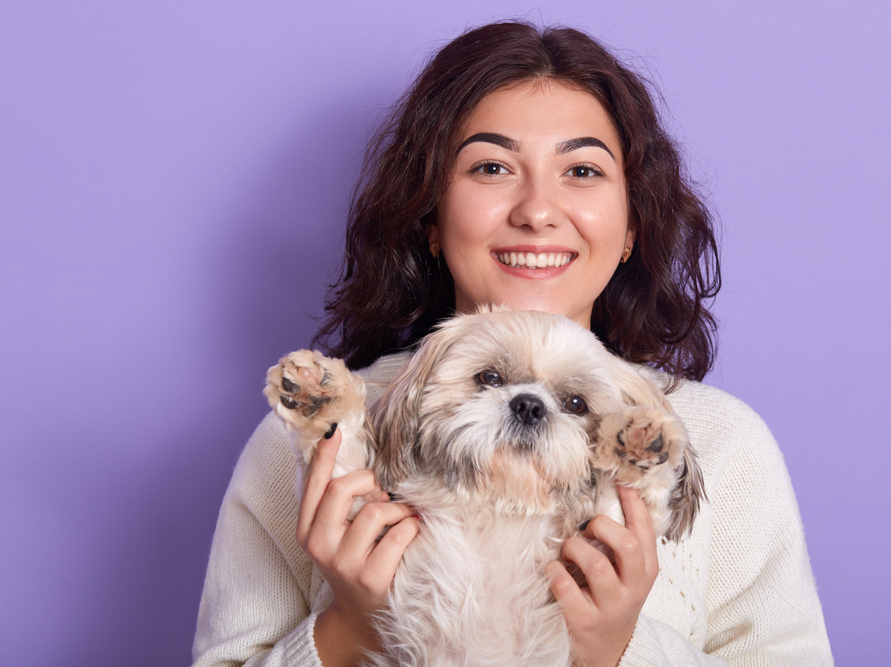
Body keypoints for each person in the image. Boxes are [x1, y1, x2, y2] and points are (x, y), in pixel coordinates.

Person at [192, 21, 834, 667]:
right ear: (432, 219)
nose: (537, 209)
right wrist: (350, 626)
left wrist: (618, 649)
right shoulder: (295, 443)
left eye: (581, 170)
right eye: (492, 166)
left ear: (632, 224)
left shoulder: (723, 442)